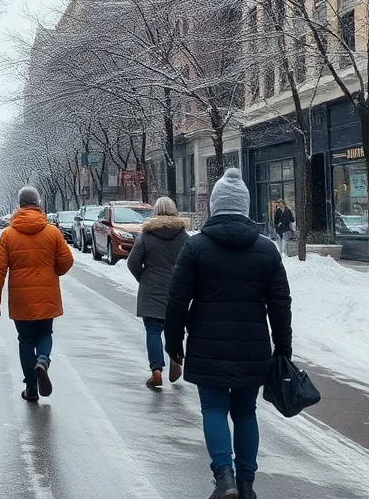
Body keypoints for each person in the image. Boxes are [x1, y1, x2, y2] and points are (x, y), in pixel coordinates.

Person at [165, 168, 291, 499]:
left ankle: (224, 476)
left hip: (207, 344)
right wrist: (283, 348)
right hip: (253, 347)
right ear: (245, 207)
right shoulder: (266, 251)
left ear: (215, 206)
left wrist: (173, 343)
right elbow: (280, 304)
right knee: (246, 412)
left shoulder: (195, 248)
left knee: (214, 409)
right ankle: (247, 483)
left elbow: (177, 300)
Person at [0, 185, 74, 402]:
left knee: (25, 340)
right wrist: (53, 272)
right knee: (45, 334)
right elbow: (67, 261)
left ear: (19, 205)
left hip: (21, 299)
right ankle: (43, 361)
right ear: (38, 204)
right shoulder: (52, 232)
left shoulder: (8, 235)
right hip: (47, 295)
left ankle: (31, 388)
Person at [127, 196, 189, 390]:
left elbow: (132, 262)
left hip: (151, 290)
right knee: (175, 330)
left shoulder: (146, 236)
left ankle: (156, 371)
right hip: (177, 291)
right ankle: (175, 359)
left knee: (153, 331)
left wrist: (144, 278)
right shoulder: (185, 238)